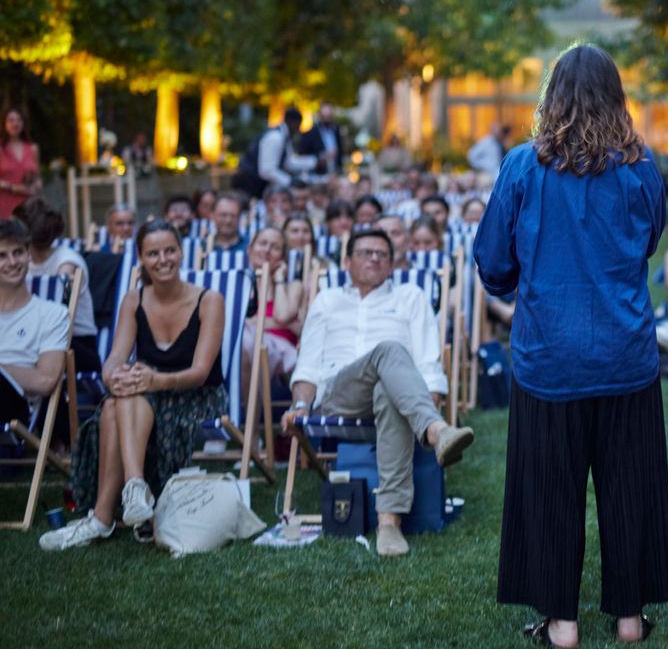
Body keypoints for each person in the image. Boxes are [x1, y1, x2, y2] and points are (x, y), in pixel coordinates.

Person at [474, 44, 668, 647]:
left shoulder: (520, 166)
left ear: (552, 94)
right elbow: (648, 245)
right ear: (618, 95)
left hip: (548, 356)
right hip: (624, 351)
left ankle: (562, 624)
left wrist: (524, 281)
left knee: (549, 491)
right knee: (630, 488)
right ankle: (629, 620)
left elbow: (492, 261)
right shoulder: (642, 169)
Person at [281, 229, 474, 557]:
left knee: (388, 389)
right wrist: (301, 404)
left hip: (398, 398)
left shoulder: (410, 296)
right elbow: (309, 364)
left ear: (391, 265)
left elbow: (428, 361)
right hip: (340, 397)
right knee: (389, 350)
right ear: (347, 262)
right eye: (365, 252)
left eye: (382, 254)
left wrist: (429, 399)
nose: (374, 258)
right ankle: (436, 430)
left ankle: (389, 522)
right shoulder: (327, 300)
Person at [41, 220, 227, 551]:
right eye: (153, 253)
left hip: (196, 396)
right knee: (117, 399)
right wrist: (115, 375)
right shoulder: (133, 300)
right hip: (144, 395)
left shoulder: (209, 300)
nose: (163, 259)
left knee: (118, 403)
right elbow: (113, 359)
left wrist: (157, 380)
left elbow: (200, 372)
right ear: (141, 257)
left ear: (182, 252)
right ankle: (133, 493)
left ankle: (104, 516)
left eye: (170, 250)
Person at [15, 198, 100, 376]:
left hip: (75, 346)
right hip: (34, 342)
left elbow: (57, 322)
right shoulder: (21, 263)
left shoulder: (66, 262)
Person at [0, 219, 69, 437]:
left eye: (18, 252)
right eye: (1, 256)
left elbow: (45, 381)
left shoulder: (53, 314)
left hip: (15, 408)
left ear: (28, 253)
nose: (12, 262)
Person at [242, 228, 304, 397]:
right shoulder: (238, 286)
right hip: (249, 352)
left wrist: (279, 279)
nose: (267, 250)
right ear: (250, 249)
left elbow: (282, 315)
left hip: (283, 355)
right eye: (262, 243)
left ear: (282, 257)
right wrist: (286, 324)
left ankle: (250, 421)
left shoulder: (294, 286)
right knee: (246, 344)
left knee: (249, 343)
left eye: (275, 247)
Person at [233, 108, 317, 198]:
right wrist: (290, 182)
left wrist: (314, 162)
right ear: (293, 122)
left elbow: (288, 162)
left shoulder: (283, 136)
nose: (299, 129)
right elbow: (267, 171)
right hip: (249, 186)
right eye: (299, 125)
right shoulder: (275, 137)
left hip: (255, 184)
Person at [0, 107, 41, 219]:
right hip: (4, 208)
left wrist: (35, 186)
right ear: (4, 124)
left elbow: (38, 178)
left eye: (19, 120)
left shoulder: (33, 148)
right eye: (11, 120)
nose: (15, 123)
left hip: (27, 208)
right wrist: (12, 187)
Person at [297, 102, 344, 175]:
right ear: (320, 115)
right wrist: (319, 159)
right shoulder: (310, 134)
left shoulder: (336, 130)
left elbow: (340, 152)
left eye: (329, 116)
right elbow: (302, 156)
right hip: (317, 175)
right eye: (324, 116)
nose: (327, 119)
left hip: (334, 173)